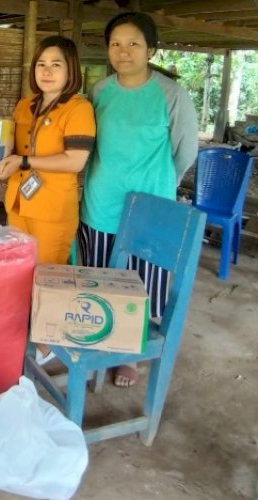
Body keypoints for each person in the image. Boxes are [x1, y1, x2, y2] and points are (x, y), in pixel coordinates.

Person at [78, 12, 198, 386]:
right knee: (102, 278)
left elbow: (185, 151)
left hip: (151, 208)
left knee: (141, 286)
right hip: (102, 203)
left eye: (133, 44)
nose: (123, 51)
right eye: (116, 44)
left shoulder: (171, 94)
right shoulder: (98, 92)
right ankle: (101, 344)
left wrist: (162, 183)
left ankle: (129, 355)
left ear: (151, 49)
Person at [0, 36, 95, 266]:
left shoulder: (79, 109)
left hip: (52, 210)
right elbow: (13, 148)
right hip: (18, 201)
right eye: (41, 64)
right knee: (17, 271)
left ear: (71, 70)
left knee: (45, 279)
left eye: (56, 65)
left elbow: (75, 161)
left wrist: (25, 161)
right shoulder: (25, 105)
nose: (47, 71)